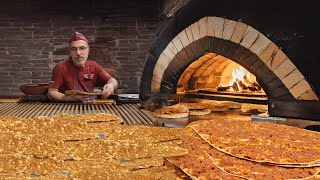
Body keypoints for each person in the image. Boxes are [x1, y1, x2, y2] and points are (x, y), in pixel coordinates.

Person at [48, 32, 118, 103]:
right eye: (74, 49)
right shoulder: (61, 67)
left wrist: (111, 85)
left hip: (88, 106)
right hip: (66, 107)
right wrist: (68, 98)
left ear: (88, 50)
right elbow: (51, 92)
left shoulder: (93, 66)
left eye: (82, 48)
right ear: (70, 52)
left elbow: (112, 80)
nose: (78, 53)